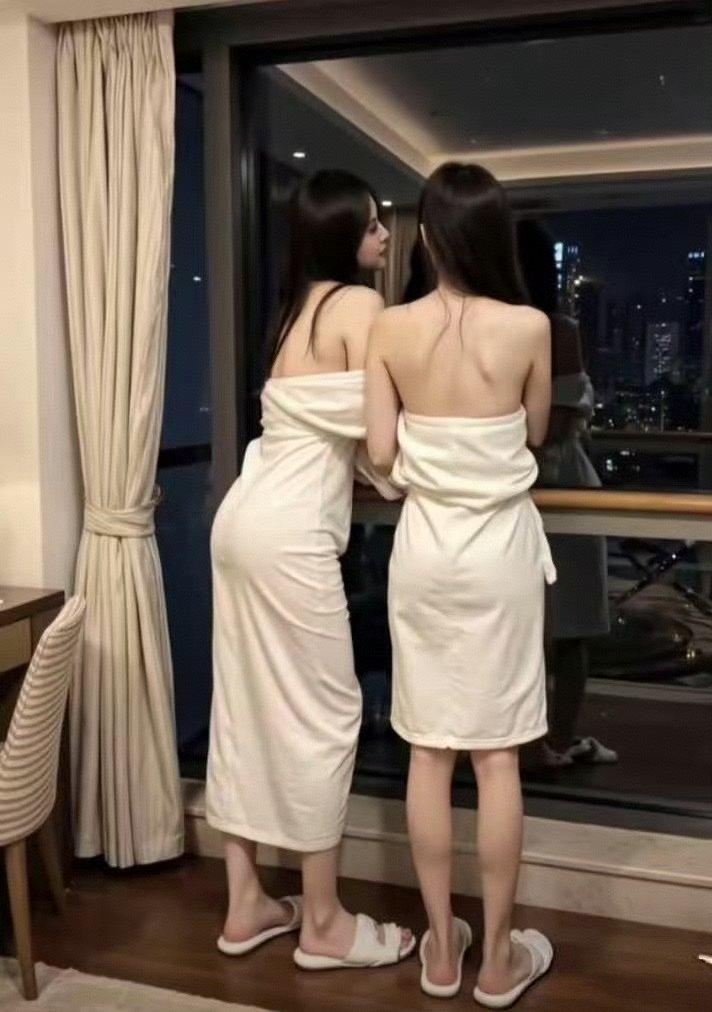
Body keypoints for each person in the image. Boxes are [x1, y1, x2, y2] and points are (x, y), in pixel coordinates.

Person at [207, 170, 414, 971]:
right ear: (339, 235)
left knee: (246, 708)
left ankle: (246, 904)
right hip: (291, 535)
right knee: (326, 714)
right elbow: (382, 445)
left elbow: (323, 427)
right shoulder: (360, 307)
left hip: (242, 521)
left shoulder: (292, 311)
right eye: (370, 225)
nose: (384, 235)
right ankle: (322, 920)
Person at [367, 163, 555, 1007]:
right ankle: (499, 961)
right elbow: (537, 431)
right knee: (498, 755)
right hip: (499, 555)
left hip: (425, 553)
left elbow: (380, 453)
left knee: (429, 751)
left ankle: (442, 951)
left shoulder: (390, 327)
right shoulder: (529, 326)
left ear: (431, 238)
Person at [516, 219, 615, 769]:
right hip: (556, 488)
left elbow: (553, 422)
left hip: (526, 486)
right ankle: (552, 739)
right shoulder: (554, 328)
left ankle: (545, 739)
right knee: (565, 623)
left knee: (547, 623)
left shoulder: (516, 329)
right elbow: (561, 419)